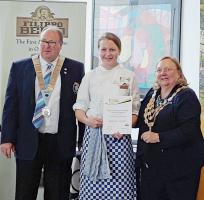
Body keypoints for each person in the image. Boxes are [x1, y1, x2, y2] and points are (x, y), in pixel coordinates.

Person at [0, 26, 85, 200]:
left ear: (60, 45)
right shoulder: (20, 67)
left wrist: (83, 141)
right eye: (43, 42)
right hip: (29, 140)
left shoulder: (75, 68)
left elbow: (82, 106)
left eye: (52, 42)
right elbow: (11, 105)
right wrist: (7, 138)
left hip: (60, 142)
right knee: (25, 192)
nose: (47, 46)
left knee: (58, 192)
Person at [73, 32, 140, 200]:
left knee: (121, 185)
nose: (108, 53)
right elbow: (79, 108)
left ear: (119, 51)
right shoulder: (90, 76)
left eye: (112, 49)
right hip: (94, 136)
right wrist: (88, 120)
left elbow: (134, 112)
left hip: (119, 138)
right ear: (98, 51)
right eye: (104, 49)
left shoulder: (129, 76)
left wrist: (124, 128)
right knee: (92, 186)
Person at [136, 56, 204, 200]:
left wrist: (158, 137)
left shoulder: (186, 96)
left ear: (179, 73)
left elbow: (189, 130)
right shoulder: (152, 94)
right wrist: (122, 120)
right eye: (159, 70)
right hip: (153, 167)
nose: (163, 73)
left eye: (168, 69)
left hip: (180, 170)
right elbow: (142, 119)